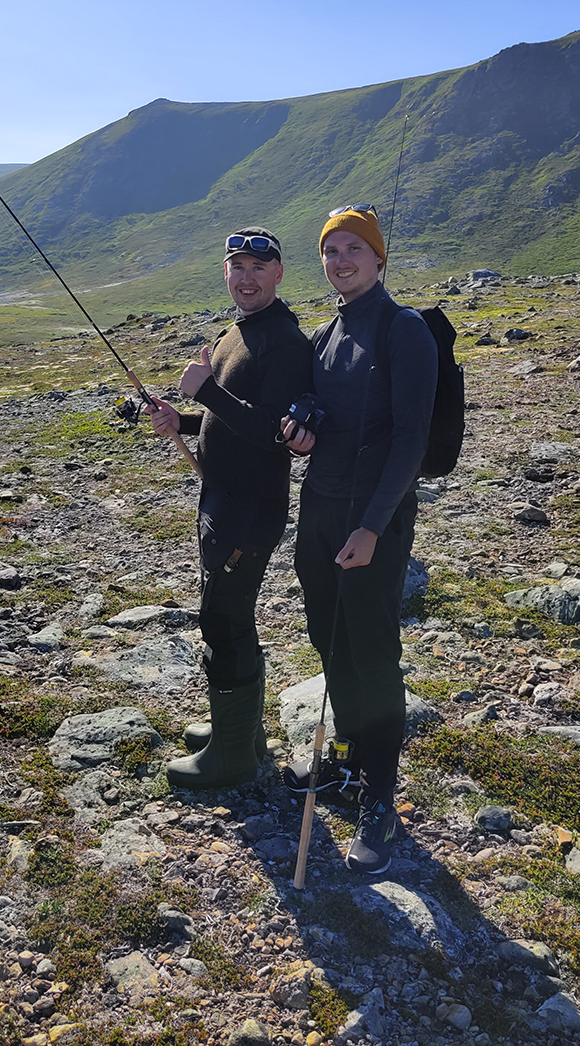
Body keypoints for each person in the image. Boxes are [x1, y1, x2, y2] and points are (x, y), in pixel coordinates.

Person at [281, 204, 438, 873]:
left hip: (372, 523)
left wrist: (372, 527)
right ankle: (348, 757)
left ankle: (380, 794)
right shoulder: (324, 333)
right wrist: (300, 429)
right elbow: (324, 419)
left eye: (353, 248)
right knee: (328, 638)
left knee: (372, 651)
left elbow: (411, 441)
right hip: (317, 511)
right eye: (330, 249)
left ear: (379, 258)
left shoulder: (405, 330)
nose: (340, 259)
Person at [147, 227, 313, 790]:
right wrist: (184, 421)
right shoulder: (234, 333)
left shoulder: (283, 341)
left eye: (258, 268)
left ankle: (234, 757)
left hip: (249, 510)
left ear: (279, 274)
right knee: (226, 616)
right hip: (222, 500)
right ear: (226, 272)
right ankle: (233, 731)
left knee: (224, 619)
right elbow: (229, 421)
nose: (246, 277)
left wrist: (208, 395)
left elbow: (277, 430)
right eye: (237, 266)